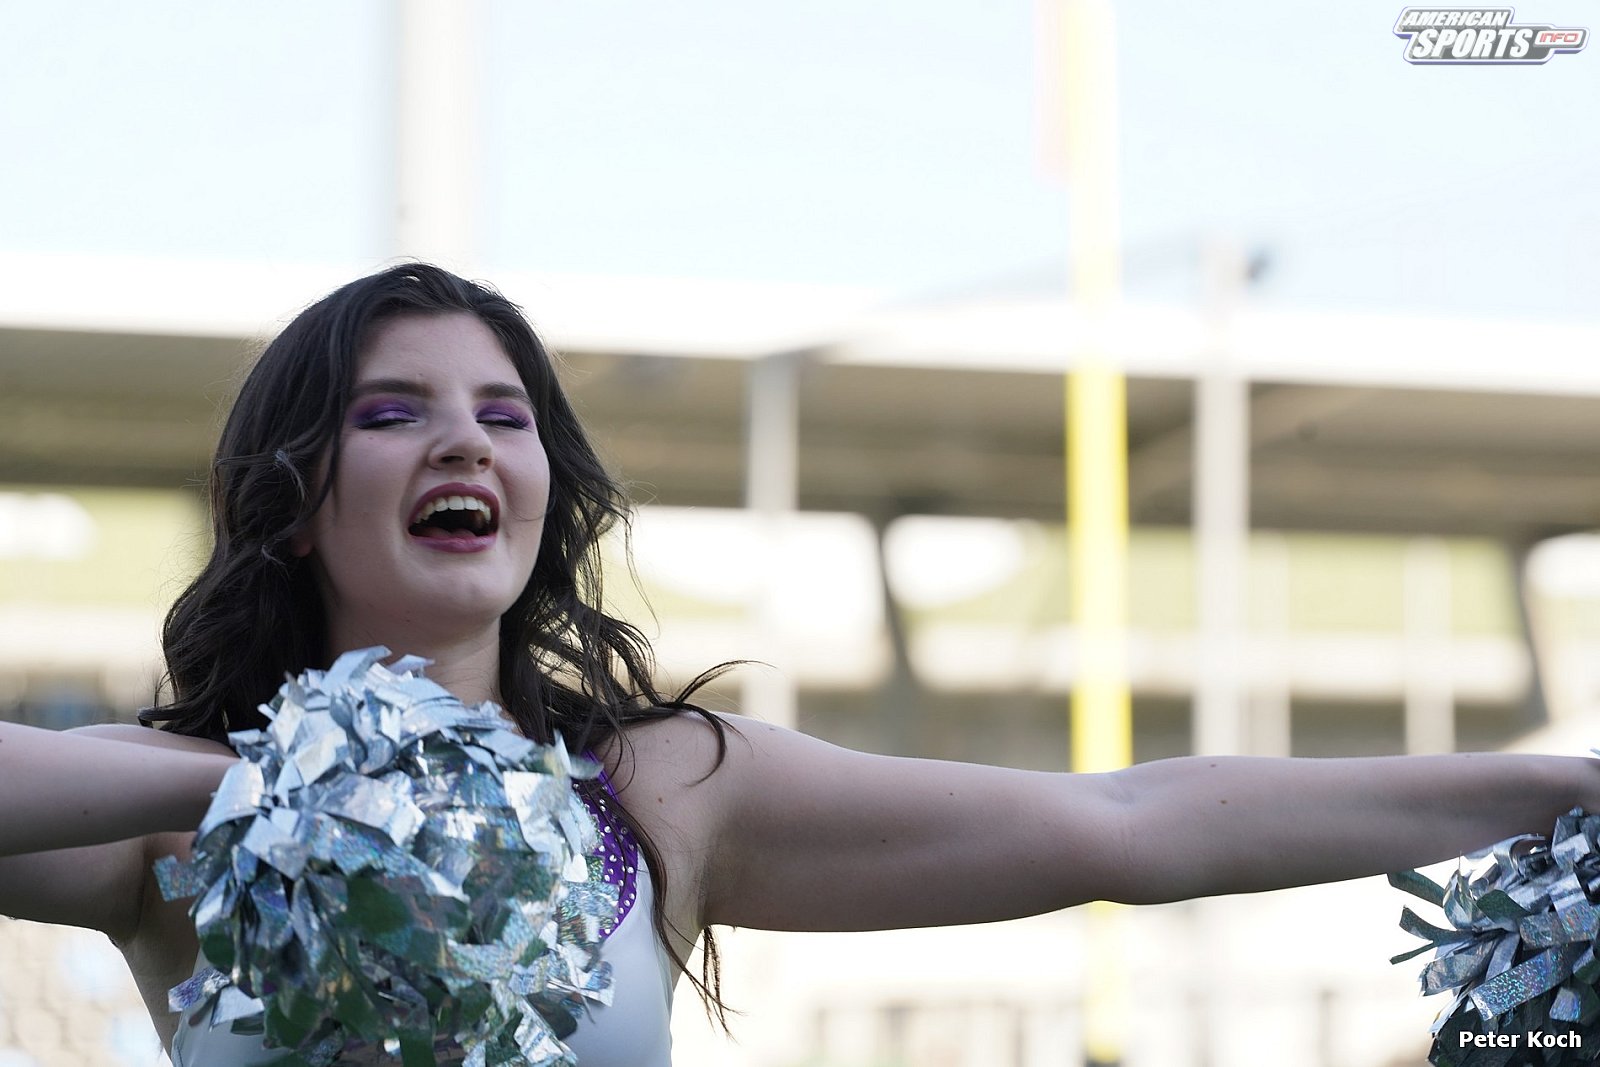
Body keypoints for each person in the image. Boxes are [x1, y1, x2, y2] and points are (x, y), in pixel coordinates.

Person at [0, 263, 1595, 1066]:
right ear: (294, 499)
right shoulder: (175, 817)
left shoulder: (654, 789)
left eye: (505, 414)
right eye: (392, 410)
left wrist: (1557, 789)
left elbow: (1126, 823)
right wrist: (299, 774)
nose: (467, 441)